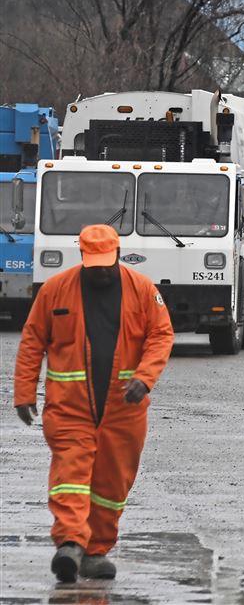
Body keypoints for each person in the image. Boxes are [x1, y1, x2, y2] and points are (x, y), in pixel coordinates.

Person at [13, 224, 174, 583]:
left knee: (111, 485)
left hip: (124, 411)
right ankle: (70, 543)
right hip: (69, 408)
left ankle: (96, 551)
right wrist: (24, 393)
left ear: (117, 254)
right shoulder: (56, 290)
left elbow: (161, 334)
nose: (100, 270)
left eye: (105, 263)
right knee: (70, 476)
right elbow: (32, 341)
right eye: (93, 264)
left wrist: (145, 378)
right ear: (82, 256)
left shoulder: (143, 290)